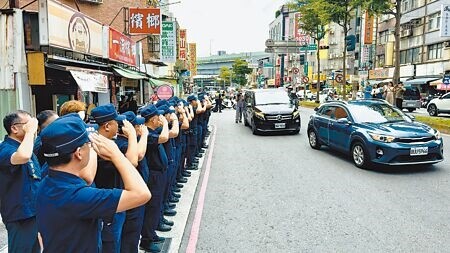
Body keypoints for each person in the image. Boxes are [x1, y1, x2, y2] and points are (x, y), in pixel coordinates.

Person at [36, 114, 150, 252]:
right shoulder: (77, 195)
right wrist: (116, 154)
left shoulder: (46, 182)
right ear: (79, 153)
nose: (91, 148)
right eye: (88, 144)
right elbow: (142, 194)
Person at [91, 104, 137, 253]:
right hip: (107, 206)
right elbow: (132, 162)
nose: (119, 126)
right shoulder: (100, 146)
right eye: (116, 123)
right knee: (110, 244)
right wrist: (132, 136)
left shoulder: (108, 143)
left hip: (114, 202)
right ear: (107, 126)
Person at [0, 110, 42, 253]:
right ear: (14, 128)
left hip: (33, 211)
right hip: (20, 214)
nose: (33, 127)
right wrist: (30, 133)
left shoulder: (26, 147)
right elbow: (22, 157)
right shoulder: (5, 149)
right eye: (28, 124)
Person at [139, 104, 170, 252]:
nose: (160, 119)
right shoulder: (148, 135)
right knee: (152, 207)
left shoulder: (151, 131)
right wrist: (165, 124)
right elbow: (164, 137)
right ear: (152, 119)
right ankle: (147, 240)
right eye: (158, 117)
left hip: (159, 173)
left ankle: (152, 233)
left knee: (156, 206)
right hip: (153, 175)